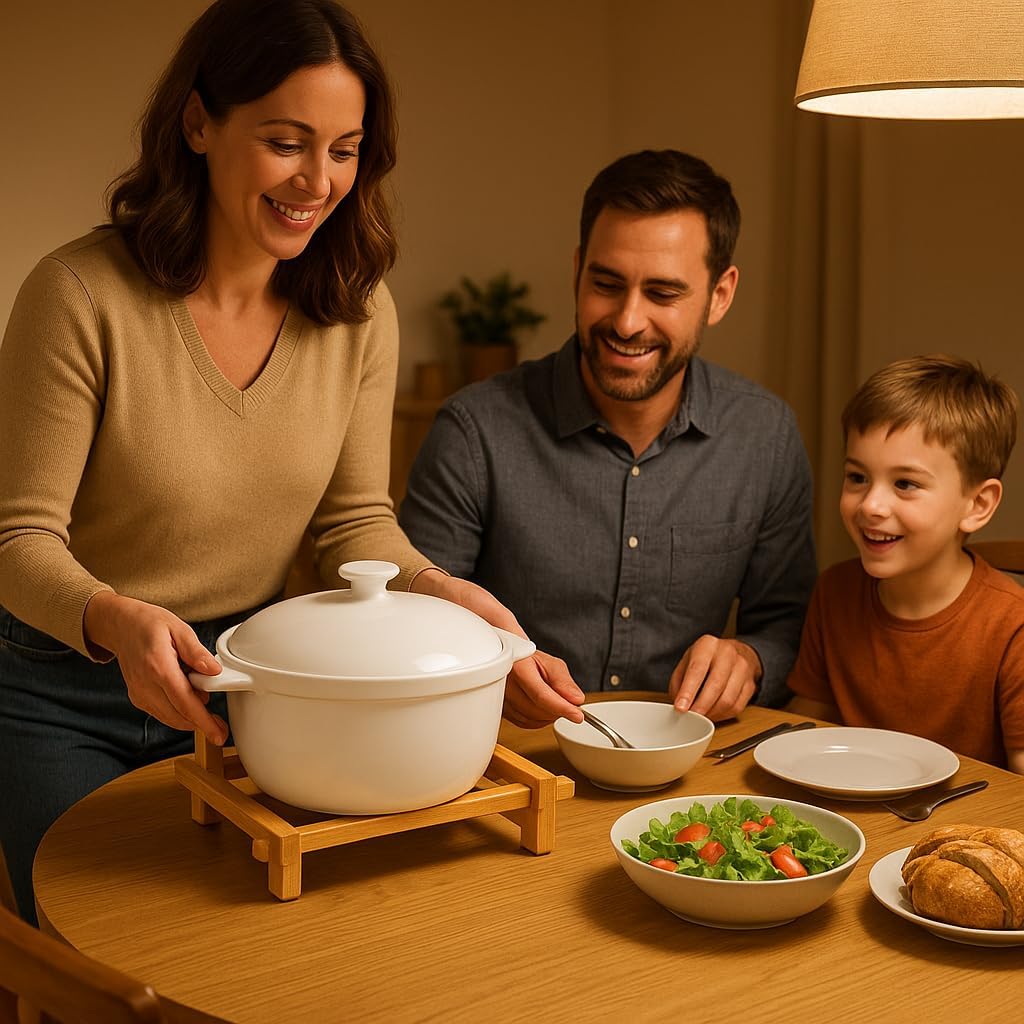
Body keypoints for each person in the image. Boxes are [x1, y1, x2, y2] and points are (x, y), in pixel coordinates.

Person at [0, 0, 528, 923]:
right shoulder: (78, 295)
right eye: (287, 142)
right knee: (105, 946)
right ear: (199, 123)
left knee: (261, 948)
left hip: (249, 686)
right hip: (59, 689)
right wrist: (116, 621)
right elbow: (16, 539)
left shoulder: (361, 311)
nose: (317, 181)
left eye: (345, 148)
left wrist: (439, 588)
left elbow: (351, 521)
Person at [399, 149, 817, 729]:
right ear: (577, 271)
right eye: (606, 283)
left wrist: (749, 658)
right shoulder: (474, 431)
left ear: (720, 294)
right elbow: (413, 620)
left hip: (690, 771)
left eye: (664, 294)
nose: (626, 321)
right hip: (507, 759)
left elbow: (785, 623)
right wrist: (487, 665)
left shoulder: (765, 437)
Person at [786, 355, 1024, 773]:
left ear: (977, 504)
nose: (872, 506)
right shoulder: (835, 592)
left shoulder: (1011, 627)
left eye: (905, 484)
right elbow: (808, 723)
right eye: (857, 477)